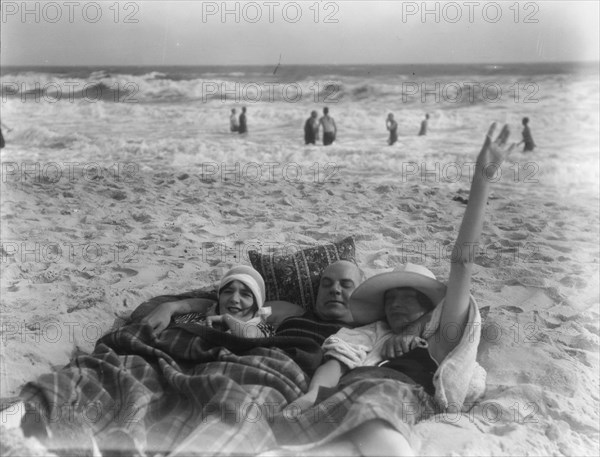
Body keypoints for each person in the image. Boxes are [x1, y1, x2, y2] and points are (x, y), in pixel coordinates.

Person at [283, 123, 514, 456]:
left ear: (429, 308)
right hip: (349, 393)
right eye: (390, 299)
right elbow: (338, 360)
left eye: (407, 298)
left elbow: (462, 263)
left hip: (395, 398)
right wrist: (312, 394)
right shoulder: (373, 332)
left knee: (370, 426)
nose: (395, 305)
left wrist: (482, 179)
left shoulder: (441, 337)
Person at [143, 265, 273, 338]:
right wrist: (167, 308)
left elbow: (249, 335)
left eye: (245, 295)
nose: (234, 299)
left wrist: (225, 319)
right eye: (228, 292)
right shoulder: (200, 316)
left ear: (256, 305)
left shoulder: (260, 328)